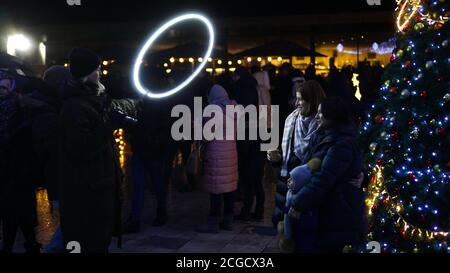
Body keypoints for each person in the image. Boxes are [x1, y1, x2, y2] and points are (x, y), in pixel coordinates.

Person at [58, 47, 136, 253]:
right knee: (88, 243)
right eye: (96, 69)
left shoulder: (97, 99)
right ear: (85, 73)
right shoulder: (74, 106)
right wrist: (109, 124)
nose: (99, 73)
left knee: (100, 241)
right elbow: (80, 147)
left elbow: (113, 110)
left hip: (101, 187)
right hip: (86, 190)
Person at [288, 97, 367, 253]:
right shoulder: (322, 135)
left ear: (332, 115)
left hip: (338, 211)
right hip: (327, 207)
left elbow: (323, 179)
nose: (317, 116)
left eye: (320, 113)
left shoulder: (341, 143)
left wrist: (298, 203)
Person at [268, 80, 326, 229]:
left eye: (300, 99)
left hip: (307, 190)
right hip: (285, 185)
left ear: (312, 100)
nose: (296, 103)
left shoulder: (323, 127)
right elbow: (287, 155)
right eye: (296, 98)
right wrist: (276, 158)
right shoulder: (291, 120)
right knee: (282, 227)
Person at [0, 70, 42, 253]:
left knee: (17, 211)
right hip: (8, 170)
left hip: (18, 170)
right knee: (13, 211)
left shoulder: (21, 108)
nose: (1, 90)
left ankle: (25, 244)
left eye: (4, 86)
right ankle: (27, 244)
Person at [196, 84, 239, 233]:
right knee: (229, 188)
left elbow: (207, 135)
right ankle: (228, 221)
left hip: (216, 155)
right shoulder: (233, 109)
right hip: (231, 154)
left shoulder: (213, 111)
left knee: (215, 189)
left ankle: (212, 223)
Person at [233, 66, 265, 221]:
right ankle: (259, 209)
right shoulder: (260, 89)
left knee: (247, 174)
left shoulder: (241, 90)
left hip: (247, 134)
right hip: (262, 132)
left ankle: (246, 210)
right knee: (257, 175)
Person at [278, 157, 321, 252]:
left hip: (305, 239)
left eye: (292, 180)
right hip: (295, 234)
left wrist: (299, 216)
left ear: (300, 183)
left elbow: (312, 221)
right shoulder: (290, 194)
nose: (288, 181)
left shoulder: (307, 200)